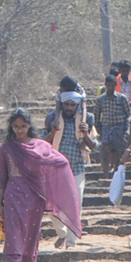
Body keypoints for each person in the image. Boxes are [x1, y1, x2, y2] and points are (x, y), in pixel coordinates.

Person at [0, 109, 82, 262]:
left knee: (30, 241)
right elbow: (2, 179)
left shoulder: (40, 146)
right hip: (12, 197)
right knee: (12, 239)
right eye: (16, 126)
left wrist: (47, 183)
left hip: (34, 198)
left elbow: (60, 162)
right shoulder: (7, 148)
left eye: (24, 126)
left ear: (29, 126)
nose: (20, 130)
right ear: (12, 127)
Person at [44, 82, 95, 248]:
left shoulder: (86, 119)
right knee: (52, 205)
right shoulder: (53, 118)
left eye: (73, 105)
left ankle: (71, 243)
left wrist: (86, 133)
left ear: (77, 105)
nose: (69, 108)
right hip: (55, 169)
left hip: (77, 167)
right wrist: (52, 132)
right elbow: (42, 144)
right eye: (66, 104)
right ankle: (62, 233)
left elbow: (94, 146)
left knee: (76, 205)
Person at [94, 74, 131, 176]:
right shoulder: (100, 100)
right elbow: (96, 116)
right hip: (106, 127)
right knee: (105, 151)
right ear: (105, 85)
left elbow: (128, 115)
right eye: (108, 85)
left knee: (119, 152)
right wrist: (99, 131)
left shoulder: (122, 98)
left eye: (112, 86)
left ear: (116, 85)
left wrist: (127, 129)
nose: (110, 88)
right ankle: (106, 174)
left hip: (120, 128)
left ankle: (116, 172)